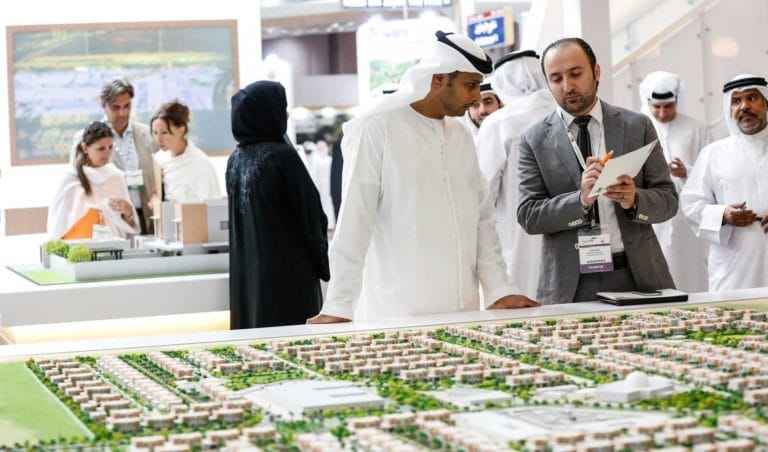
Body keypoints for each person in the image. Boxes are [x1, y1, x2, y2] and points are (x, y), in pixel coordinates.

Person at [308, 31, 539, 324]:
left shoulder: (461, 136)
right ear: (439, 79)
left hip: (463, 311)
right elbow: (355, 221)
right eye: (470, 85)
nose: (476, 97)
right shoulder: (377, 128)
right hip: (397, 313)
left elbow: (482, 220)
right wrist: (338, 305)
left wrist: (499, 289)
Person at [517, 37, 677, 304]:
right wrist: (580, 200)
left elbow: (669, 201)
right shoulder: (533, 140)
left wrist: (634, 200)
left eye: (575, 74)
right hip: (569, 286)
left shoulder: (637, 126)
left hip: (639, 276)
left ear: (596, 72)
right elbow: (529, 215)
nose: (567, 86)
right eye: (556, 78)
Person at [226, 80, 330, 329]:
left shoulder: (235, 160)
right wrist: (323, 265)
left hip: (249, 277)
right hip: (288, 276)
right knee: (292, 341)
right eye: (281, 108)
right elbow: (311, 215)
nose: (285, 114)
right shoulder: (282, 157)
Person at [475, 50, 556, 299]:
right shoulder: (564, 113)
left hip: (516, 230)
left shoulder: (499, 123)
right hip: (565, 226)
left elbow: (484, 190)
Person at [681, 74, 768, 291]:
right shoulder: (714, 154)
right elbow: (691, 205)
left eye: (752, 98)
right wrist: (723, 215)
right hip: (734, 266)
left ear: (766, 102)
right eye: (736, 101)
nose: (744, 106)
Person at [638, 71, 712, 292]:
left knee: (691, 268)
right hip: (651, 213)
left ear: (678, 100)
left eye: (668, 106)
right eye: (657, 107)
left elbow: (713, 172)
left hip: (686, 216)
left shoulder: (697, 128)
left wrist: (686, 172)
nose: (662, 113)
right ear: (647, 102)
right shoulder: (638, 129)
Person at [69, 78, 159, 234]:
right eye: (116, 107)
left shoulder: (148, 134)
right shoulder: (85, 139)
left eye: (127, 106)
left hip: (147, 216)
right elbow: (77, 184)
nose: (123, 113)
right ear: (103, 105)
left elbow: (159, 175)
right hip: (108, 223)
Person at [49, 122, 140, 239]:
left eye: (110, 147)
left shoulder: (116, 176)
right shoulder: (70, 178)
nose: (107, 153)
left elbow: (129, 227)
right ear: (85, 148)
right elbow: (59, 223)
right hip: (78, 245)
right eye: (101, 148)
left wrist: (128, 212)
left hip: (113, 245)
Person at [151, 100, 222, 203]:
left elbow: (213, 204)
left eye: (164, 132)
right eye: (155, 133)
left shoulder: (200, 163)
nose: (159, 139)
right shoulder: (159, 159)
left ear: (181, 130)